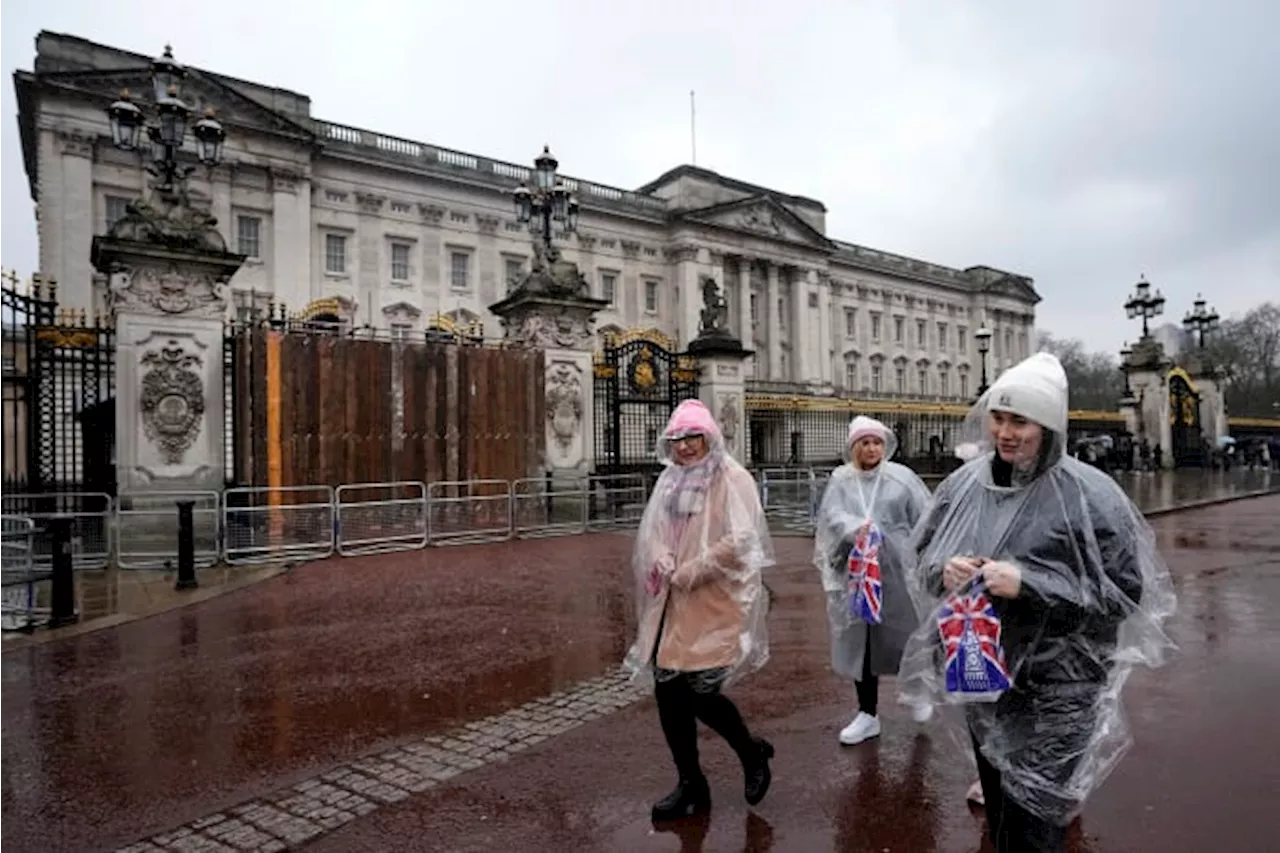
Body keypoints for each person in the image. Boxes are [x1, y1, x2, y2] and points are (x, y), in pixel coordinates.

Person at [898, 353, 1176, 853]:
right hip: (981, 669)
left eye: (1020, 421)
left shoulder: (1092, 495)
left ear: (1049, 426)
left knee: (1038, 821)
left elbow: (1125, 593)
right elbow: (921, 561)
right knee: (1003, 812)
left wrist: (1030, 583)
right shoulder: (963, 487)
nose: (1004, 433)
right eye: (998, 418)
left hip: (1063, 684)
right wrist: (945, 570)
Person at [624, 399, 776, 822]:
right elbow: (653, 530)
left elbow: (744, 539)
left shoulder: (732, 477)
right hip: (670, 603)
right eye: (677, 439)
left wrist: (695, 569)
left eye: (693, 437)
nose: (686, 447)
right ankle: (691, 782)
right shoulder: (670, 481)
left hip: (713, 601)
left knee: (702, 693)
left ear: (710, 436)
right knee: (669, 694)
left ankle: (751, 752)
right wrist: (659, 557)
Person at [813, 415, 933, 745]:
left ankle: (917, 691)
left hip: (897, 571)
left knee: (907, 634)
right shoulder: (841, 480)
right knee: (862, 640)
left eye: (876, 442)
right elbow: (830, 517)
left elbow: (925, 517)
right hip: (858, 572)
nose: (871, 448)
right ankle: (867, 713)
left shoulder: (902, 478)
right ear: (853, 447)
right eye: (864, 442)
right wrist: (854, 529)